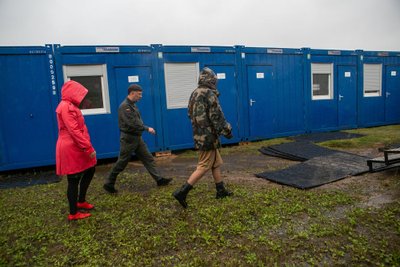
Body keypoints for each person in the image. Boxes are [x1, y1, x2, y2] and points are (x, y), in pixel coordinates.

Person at [173, 67, 233, 208]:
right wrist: (227, 130)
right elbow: (216, 117)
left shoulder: (194, 93)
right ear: (211, 80)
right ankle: (182, 192)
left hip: (199, 134)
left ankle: (221, 190)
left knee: (215, 163)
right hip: (208, 137)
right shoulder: (209, 94)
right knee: (204, 165)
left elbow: (189, 114)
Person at [103, 84, 172, 193]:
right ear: (132, 93)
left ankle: (159, 179)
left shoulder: (132, 105)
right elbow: (132, 124)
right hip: (129, 139)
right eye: (139, 94)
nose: (140, 96)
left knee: (148, 158)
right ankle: (109, 183)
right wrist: (147, 128)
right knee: (122, 162)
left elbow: (136, 121)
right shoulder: (125, 107)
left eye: (141, 94)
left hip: (137, 138)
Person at [55, 80, 97, 221]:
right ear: (72, 93)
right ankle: (73, 213)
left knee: (91, 169)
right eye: (80, 94)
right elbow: (74, 131)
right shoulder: (66, 107)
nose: (82, 97)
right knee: (73, 179)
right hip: (71, 147)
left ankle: (81, 201)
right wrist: (88, 147)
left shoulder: (70, 105)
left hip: (77, 146)